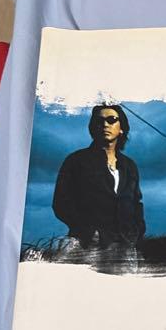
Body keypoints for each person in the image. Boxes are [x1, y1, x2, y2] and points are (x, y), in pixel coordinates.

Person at [52, 103, 146, 249]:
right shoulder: (76, 161)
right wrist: (88, 231)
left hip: (126, 245)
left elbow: (136, 203)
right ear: (93, 128)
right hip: (87, 245)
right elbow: (61, 203)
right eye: (99, 121)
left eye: (111, 120)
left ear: (121, 128)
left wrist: (137, 232)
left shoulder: (130, 166)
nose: (105, 124)